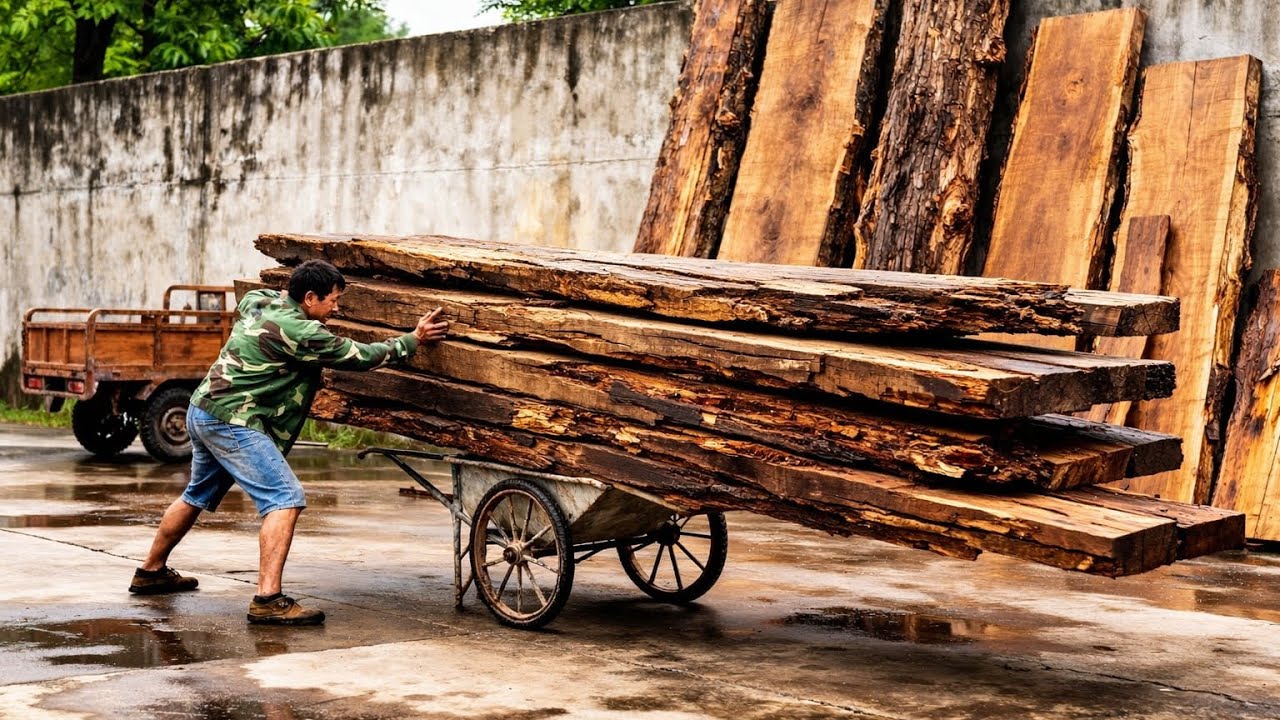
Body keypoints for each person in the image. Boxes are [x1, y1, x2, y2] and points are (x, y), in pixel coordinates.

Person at [128, 259, 448, 626]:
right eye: (332, 300)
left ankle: (150, 572)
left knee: (197, 494)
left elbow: (256, 298)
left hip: (203, 410)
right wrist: (414, 339)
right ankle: (268, 599)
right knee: (285, 498)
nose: (337, 308)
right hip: (234, 419)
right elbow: (360, 356)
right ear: (309, 297)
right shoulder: (302, 331)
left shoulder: (259, 301)